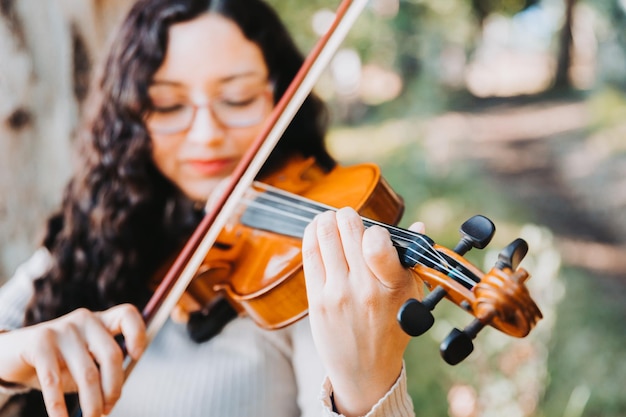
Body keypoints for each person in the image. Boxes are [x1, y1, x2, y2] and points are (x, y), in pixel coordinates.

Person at [0, 0, 424, 416]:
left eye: (237, 99)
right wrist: (10, 361)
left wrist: (364, 389)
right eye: (169, 105)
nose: (206, 135)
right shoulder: (101, 229)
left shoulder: (304, 271)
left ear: (278, 96)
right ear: (131, 116)